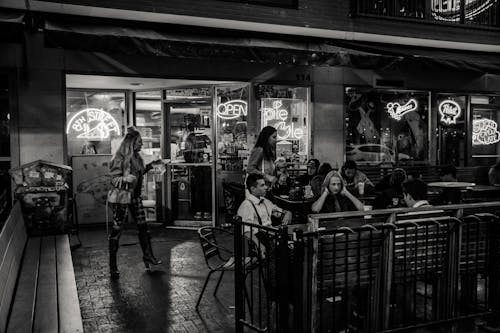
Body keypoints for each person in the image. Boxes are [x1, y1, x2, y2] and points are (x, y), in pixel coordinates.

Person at [107, 126, 162, 279]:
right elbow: (113, 179)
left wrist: (152, 165)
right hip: (121, 199)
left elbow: (139, 173)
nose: (141, 144)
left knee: (143, 227)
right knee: (117, 231)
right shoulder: (119, 158)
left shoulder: (137, 158)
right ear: (131, 143)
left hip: (135, 197)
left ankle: (148, 256)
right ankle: (113, 266)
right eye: (139, 142)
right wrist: (124, 179)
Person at [237, 173, 292, 257]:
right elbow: (246, 232)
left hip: (270, 236)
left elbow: (278, 211)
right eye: (262, 185)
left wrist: (288, 213)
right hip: (258, 242)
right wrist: (260, 246)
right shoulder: (247, 205)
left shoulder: (265, 201)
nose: (266, 187)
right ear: (253, 189)